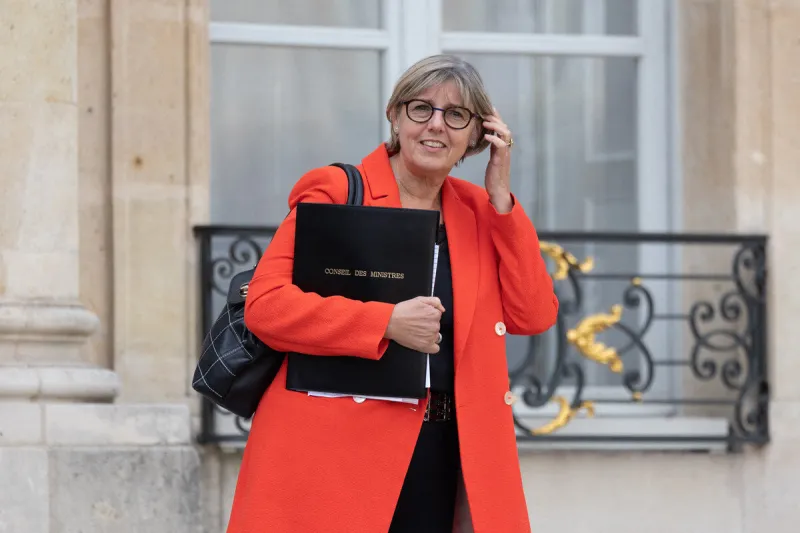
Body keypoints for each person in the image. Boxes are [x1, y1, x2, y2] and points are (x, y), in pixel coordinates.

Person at [227, 54, 559, 533]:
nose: (436, 125)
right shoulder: (337, 190)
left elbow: (534, 314)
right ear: (395, 116)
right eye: (421, 108)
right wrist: (384, 322)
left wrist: (501, 196)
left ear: (477, 136)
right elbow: (266, 307)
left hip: (446, 448)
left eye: (456, 115)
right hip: (336, 449)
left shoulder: (480, 211)